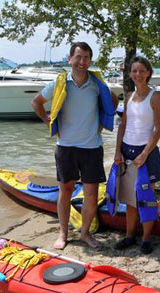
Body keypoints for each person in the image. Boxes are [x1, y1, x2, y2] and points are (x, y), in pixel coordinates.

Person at [31, 42, 118, 250]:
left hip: (91, 146)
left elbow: (113, 101)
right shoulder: (60, 83)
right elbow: (36, 103)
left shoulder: (97, 84)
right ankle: (63, 233)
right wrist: (49, 122)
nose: (82, 62)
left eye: (86, 57)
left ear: (90, 61)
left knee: (91, 193)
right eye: (78, 57)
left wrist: (101, 123)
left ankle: (85, 233)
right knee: (65, 190)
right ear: (70, 59)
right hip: (66, 146)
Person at [113, 56, 160, 254]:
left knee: (147, 197)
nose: (138, 75)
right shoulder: (128, 97)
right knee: (129, 199)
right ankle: (129, 236)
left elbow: (158, 129)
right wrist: (117, 150)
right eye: (134, 71)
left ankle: (146, 239)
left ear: (149, 73)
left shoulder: (155, 97)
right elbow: (123, 125)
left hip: (147, 153)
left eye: (142, 71)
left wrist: (144, 154)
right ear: (130, 74)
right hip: (127, 150)